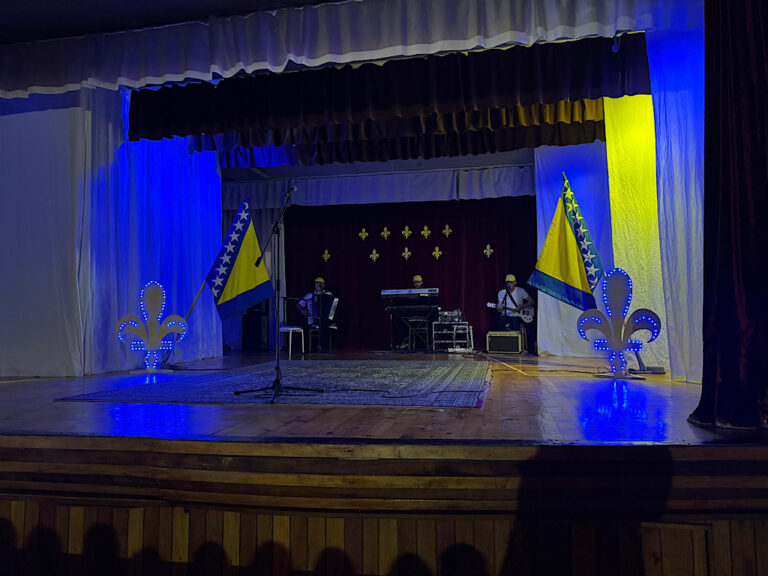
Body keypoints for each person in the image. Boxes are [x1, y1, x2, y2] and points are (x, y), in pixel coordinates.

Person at [297, 277, 335, 351]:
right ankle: (312, 347)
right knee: (307, 325)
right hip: (312, 319)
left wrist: (331, 314)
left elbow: (333, 306)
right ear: (314, 285)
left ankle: (322, 346)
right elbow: (298, 305)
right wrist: (304, 312)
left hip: (325, 319)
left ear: (324, 285)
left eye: (321, 283)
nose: (319, 284)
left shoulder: (328, 294)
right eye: (317, 282)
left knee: (324, 323)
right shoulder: (310, 295)